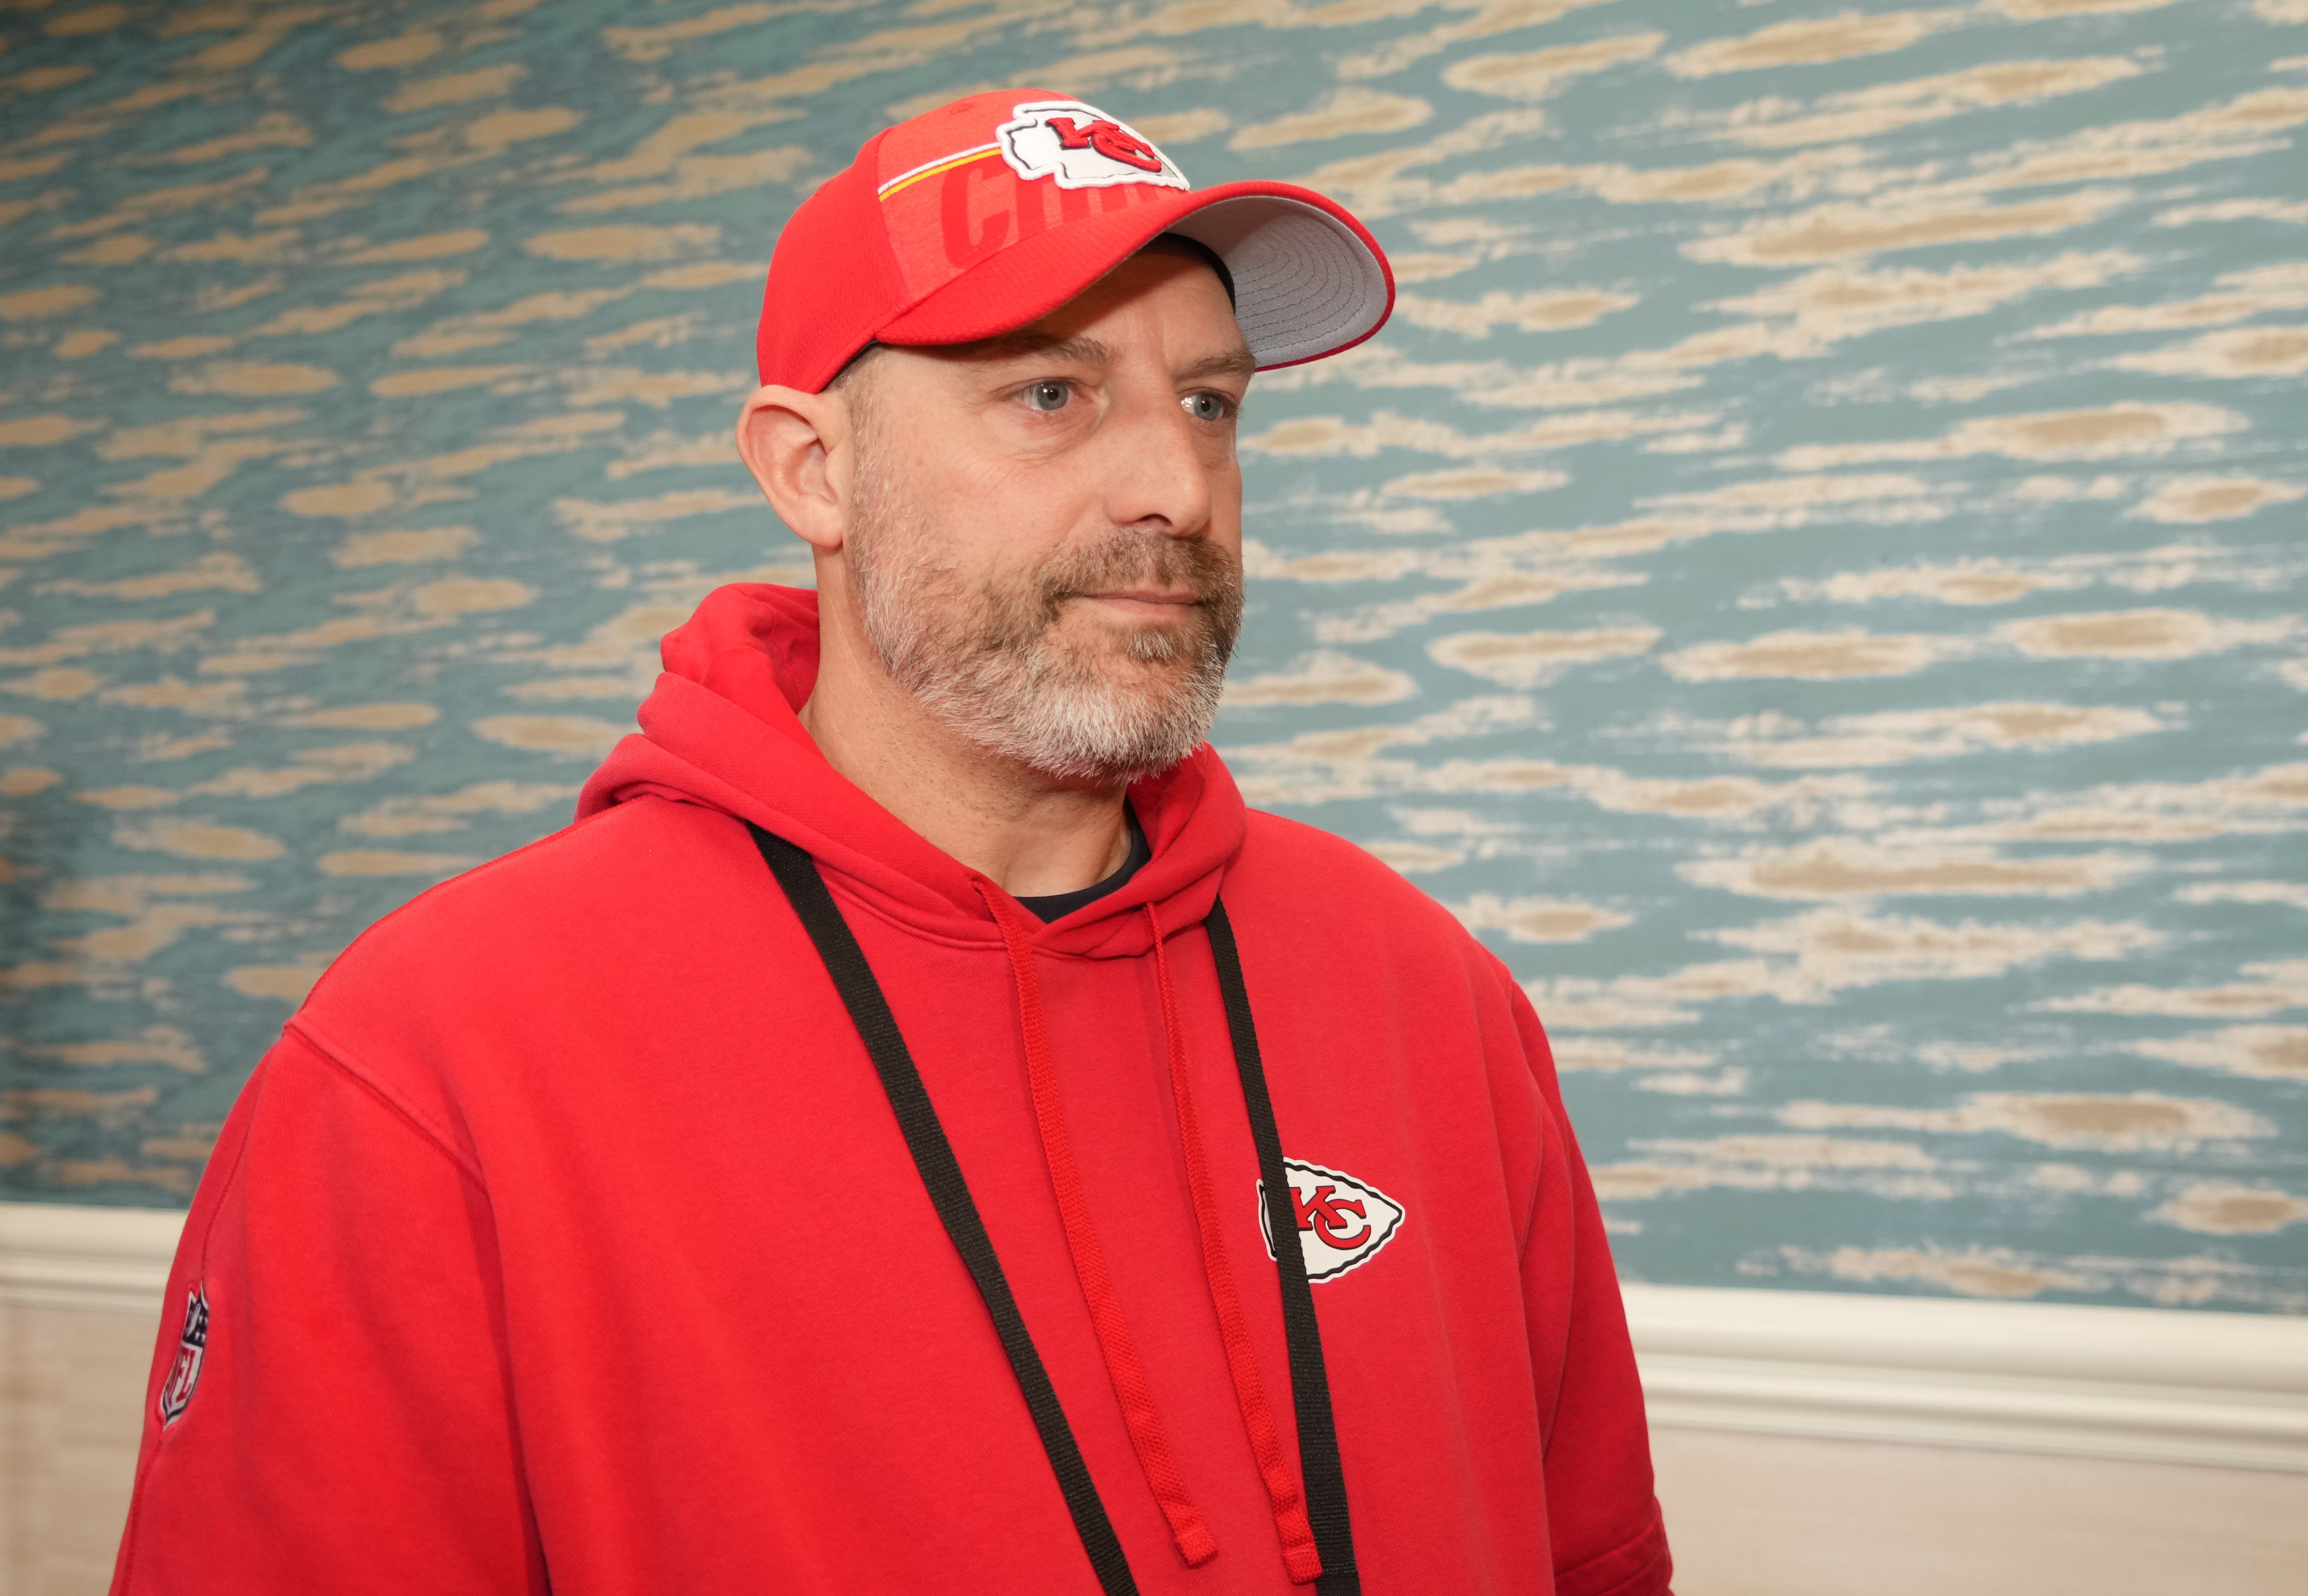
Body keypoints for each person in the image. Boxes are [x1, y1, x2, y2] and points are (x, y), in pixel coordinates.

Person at [110, 92, 1673, 1596]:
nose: (1176, 489)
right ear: (815, 469)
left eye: (1210, 404)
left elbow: (1594, 1561)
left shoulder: (1421, 985)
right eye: (1051, 394)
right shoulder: (438, 1055)